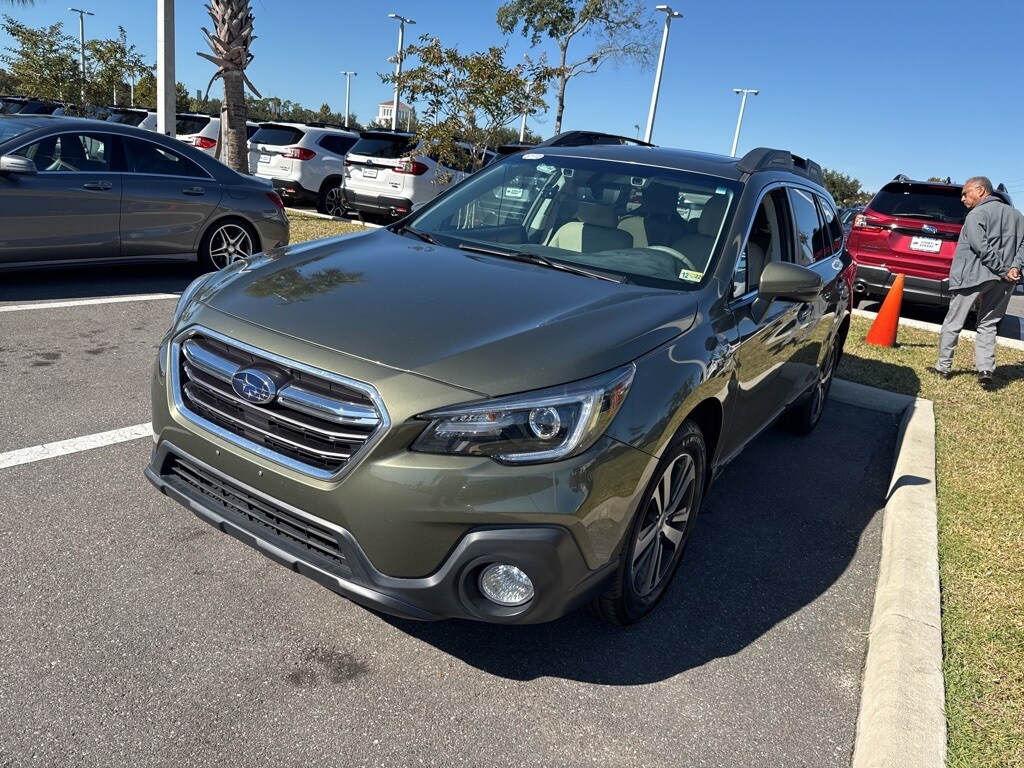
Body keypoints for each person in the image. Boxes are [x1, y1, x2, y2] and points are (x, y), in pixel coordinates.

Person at [929, 176, 1024, 390]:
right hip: (1004, 281)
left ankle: (942, 367)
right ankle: (986, 370)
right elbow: (1023, 246)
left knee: (954, 321)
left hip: (974, 276)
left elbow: (980, 247)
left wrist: (1003, 269)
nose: (962, 198)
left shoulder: (976, 215)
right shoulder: (1018, 215)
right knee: (988, 324)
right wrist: (1013, 269)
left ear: (981, 191)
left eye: (965, 193)